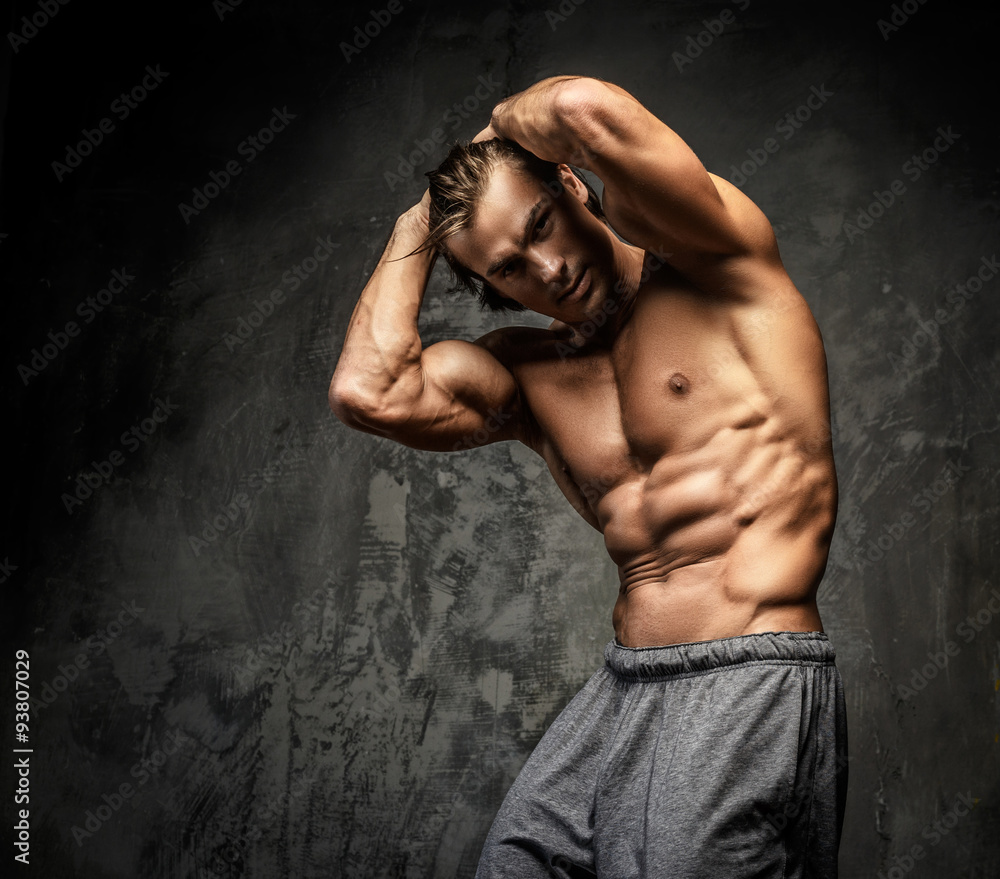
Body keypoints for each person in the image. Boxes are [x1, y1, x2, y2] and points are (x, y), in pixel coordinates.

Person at [329, 75, 847, 878]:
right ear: (492, 289)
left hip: (748, 670)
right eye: (509, 268)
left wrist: (494, 130)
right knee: (514, 865)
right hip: (625, 686)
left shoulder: (715, 260)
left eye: (542, 224)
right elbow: (369, 390)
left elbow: (581, 110)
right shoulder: (528, 377)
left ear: (570, 183)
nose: (548, 267)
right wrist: (420, 218)